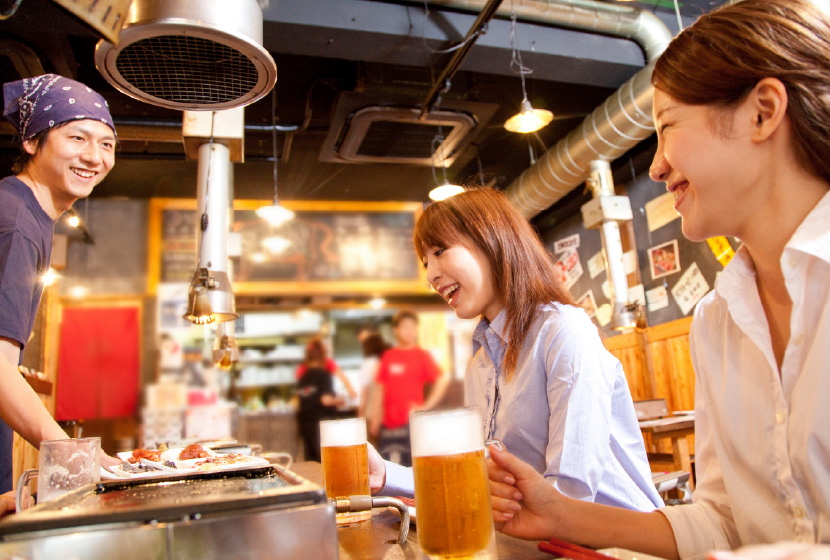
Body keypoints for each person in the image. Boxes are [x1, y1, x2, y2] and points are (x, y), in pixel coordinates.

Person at [486, 1, 830, 558]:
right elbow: (722, 522)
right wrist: (559, 514)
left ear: (762, 113)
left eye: (667, 127)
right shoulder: (717, 321)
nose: (655, 165)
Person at [369, 187, 663, 512]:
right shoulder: (480, 364)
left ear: (491, 240)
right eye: (426, 262)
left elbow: (571, 490)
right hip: (545, 538)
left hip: (619, 544)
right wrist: (386, 475)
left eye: (439, 251)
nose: (431, 275)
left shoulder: (563, 330)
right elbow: (477, 477)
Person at [0, 74, 121, 499]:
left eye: (106, 144)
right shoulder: (15, 221)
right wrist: (73, 456)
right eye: (77, 138)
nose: (94, 157)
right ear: (32, 142)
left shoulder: (27, 214)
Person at [369, 309, 449, 467]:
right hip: (388, 425)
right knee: (386, 469)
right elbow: (380, 389)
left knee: (411, 470)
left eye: (413, 327)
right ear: (396, 330)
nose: (409, 331)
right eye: (405, 327)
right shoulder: (388, 356)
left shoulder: (421, 355)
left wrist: (425, 406)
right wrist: (375, 418)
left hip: (411, 424)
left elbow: (442, 380)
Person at [295, 337, 345, 462]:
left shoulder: (304, 377)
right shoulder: (324, 375)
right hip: (321, 426)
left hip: (305, 424)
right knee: (325, 461)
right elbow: (325, 400)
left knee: (311, 461)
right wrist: (339, 400)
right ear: (323, 356)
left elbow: (300, 399)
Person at [357, 331, 389, 426]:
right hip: (389, 415)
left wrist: (360, 415)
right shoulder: (387, 361)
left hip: (372, 414)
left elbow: (364, 394)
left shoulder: (368, 363)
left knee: (372, 441)